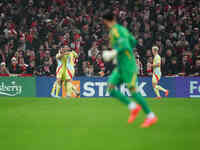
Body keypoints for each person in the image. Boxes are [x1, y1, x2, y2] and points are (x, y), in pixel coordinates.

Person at [102, 11, 157, 128]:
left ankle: (151, 116)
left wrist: (114, 53)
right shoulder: (123, 30)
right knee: (110, 88)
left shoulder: (115, 31)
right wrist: (120, 56)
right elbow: (133, 41)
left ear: (106, 21)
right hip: (121, 66)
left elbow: (126, 45)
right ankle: (133, 107)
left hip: (128, 66)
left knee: (133, 91)